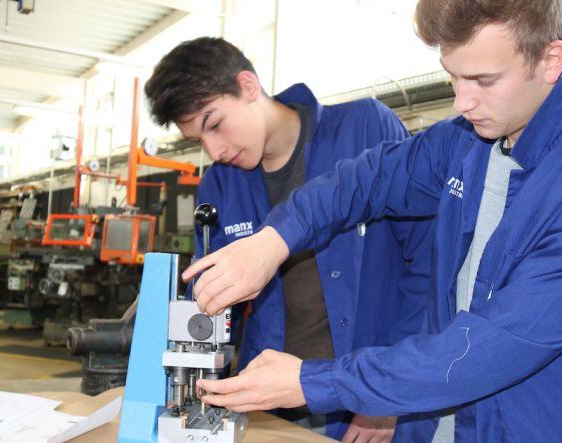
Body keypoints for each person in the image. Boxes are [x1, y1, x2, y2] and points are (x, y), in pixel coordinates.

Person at [186, 1, 562, 441]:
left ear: (550, 60)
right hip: (436, 427)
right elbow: (364, 181)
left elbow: (488, 348)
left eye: (483, 80)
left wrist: (316, 381)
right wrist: (273, 241)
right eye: (453, 77)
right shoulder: (465, 143)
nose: (462, 102)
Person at [144, 37, 434, 441]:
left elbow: (429, 269)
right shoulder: (220, 187)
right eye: (198, 141)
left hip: (367, 395)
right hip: (272, 404)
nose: (214, 150)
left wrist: (387, 393)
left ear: (247, 86)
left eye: (214, 124)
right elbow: (209, 305)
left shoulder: (365, 128)